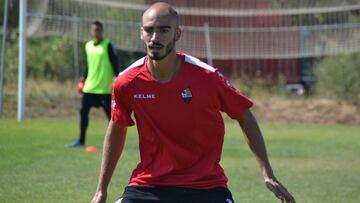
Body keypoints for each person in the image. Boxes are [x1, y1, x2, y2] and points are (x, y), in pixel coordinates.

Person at [91, 2, 296, 203]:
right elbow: (117, 127)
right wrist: (101, 190)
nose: (155, 38)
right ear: (141, 33)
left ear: (177, 34)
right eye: (149, 30)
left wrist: (267, 173)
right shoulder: (126, 82)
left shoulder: (207, 77)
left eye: (164, 30)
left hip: (206, 187)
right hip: (149, 185)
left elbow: (244, 115)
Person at [66, 21, 119, 148]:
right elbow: (89, 65)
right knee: (83, 113)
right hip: (89, 88)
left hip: (104, 89)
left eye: (99, 30)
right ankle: (81, 140)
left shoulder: (108, 45)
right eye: (94, 30)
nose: (96, 32)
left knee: (112, 118)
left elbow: (115, 63)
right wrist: (83, 79)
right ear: (91, 31)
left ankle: (114, 142)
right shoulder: (88, 46)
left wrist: (117, 79)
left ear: (102, 31)